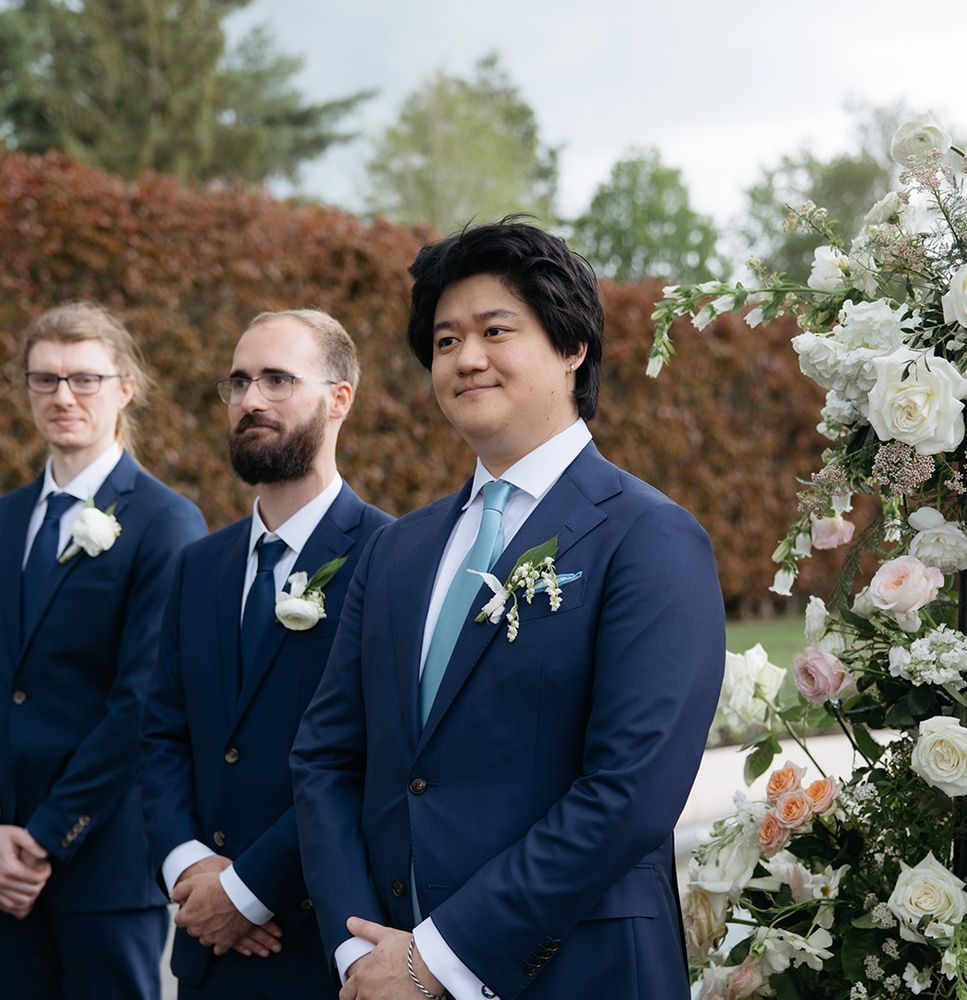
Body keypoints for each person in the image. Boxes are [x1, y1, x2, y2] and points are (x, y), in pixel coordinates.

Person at [291, 221, 726, 1000]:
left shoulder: (650, 537)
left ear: (572, 347)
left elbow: (628, 793)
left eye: (497, 330)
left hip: (575, 973)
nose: (466, 357)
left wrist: (438, 959)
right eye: (447, 338)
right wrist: (360, 952)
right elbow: (326, 756)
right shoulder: (399, 550)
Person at [142, 309, 392, 999]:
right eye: (240, 381)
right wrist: (191, 869)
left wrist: (248, 891)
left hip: (320, 948)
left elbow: (373, 755)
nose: (251, 400)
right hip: (204, 953)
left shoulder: (392, 558)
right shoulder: (198, 566)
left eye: (278, 379)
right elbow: (162, 733)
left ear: (339, 398)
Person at [0, 302, 207, 999]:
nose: (63, 396)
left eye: (85, 379)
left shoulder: (166, 522)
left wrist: (46, 836)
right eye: (45, 379)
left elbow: (139, 701)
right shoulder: (2, 520)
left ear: (126, 387)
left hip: (103, 863)